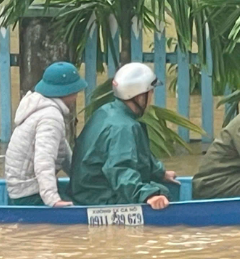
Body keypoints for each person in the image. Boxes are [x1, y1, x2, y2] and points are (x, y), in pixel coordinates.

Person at [69, 62, 178, 210]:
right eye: (150, 92)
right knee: (162, 192)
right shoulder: (123, 128)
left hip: (86, 192)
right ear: (139, 96)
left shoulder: (106, 111)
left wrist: (160, 173)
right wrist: (148, 195)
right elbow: (120, 169)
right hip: (98, 199)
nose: (151, 98)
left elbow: (139, 156)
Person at [4, 62, 87, 206]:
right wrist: (52, 199)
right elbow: (44, 161)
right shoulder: (50, 117)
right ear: (67, 92)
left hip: (21, 188)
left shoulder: (41, 108)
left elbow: (62, 150)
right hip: (28, 194)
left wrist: (79, 177)